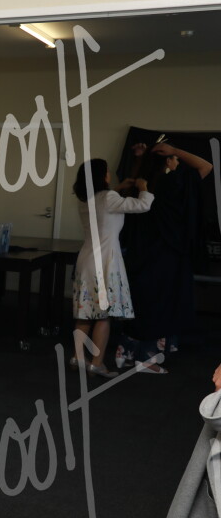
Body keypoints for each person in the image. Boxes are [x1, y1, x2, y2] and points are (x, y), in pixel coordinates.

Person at [119, 142, 212, 373]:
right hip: (167, 254)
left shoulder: (143, 185)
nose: (177, 162)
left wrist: (141, 159)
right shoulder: (174, 182)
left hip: (140, 253)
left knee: (140, 300)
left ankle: (128, 353)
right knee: (162, 303)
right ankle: (147, 358)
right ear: (168, 160)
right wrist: (175, 150)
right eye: (174, 159)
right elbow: (206, 166)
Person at [69, 159, 153, 378]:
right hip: (106, 260)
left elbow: (104, 203)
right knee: (103, 315)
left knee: (85, 312)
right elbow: (142, 205)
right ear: (103, 176)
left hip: (86, 259)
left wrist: (118, 188)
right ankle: (97, 363)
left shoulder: (85, 199)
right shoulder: (109, 198)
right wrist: (143, 188)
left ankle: (78, 357)